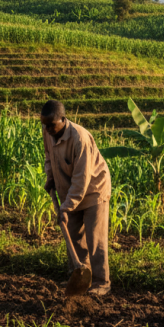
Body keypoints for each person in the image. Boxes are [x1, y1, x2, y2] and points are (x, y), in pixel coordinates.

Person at [41, 100, 112, 295]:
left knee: (94, 238)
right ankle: (80, 277)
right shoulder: (48, 131)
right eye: (44, 125)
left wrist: (66, 207)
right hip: (69, 191)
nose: (47, 129)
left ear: (63, 120)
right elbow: (49, 157)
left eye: (51, 125)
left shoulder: (80, 138)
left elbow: (82, 180)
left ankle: (101, 282)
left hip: (93, 191)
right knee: (73, 237)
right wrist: (50, 178)